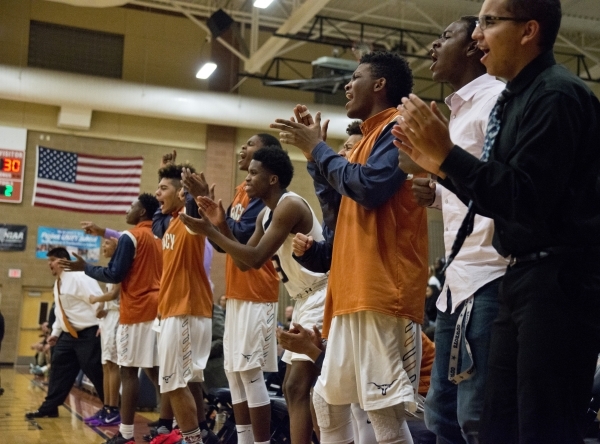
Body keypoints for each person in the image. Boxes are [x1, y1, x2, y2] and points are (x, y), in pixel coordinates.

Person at [394, 1, 600, 442]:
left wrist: (447, 159)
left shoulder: (556, 95)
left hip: (559, 281)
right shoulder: (515, 97)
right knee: (494, 426)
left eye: (489, 22)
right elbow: (499, 191)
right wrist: (443, 167)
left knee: (541, 427)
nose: (477, 35)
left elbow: (525, 198)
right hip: (520, 277)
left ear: (528, 31)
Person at [270, 51, 428, 444]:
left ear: (379, 85)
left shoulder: (397, 128)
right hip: (348, 293)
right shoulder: (364, 140)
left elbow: (369, 188)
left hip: (381, 291)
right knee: (327, 401)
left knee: (381, 412)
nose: (346, 84)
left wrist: (320, 151)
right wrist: (314, 155)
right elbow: (338, 210)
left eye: (355, 76)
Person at [397, 15, 509, 444]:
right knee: (440, 415)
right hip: (455, 280)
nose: (433, 46)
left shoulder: (498, 99)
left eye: (445, 37)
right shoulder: (456, 114)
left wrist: (440, 166)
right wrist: (435, 186)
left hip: (490, 271)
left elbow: (499, 183)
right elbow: (466, 182)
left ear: (471, 48)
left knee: (475, 417)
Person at [180, 146, 327, 444]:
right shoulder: (264, 216)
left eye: (253, 173)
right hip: (302, 299)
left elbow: (257, 257)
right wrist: (220, 224)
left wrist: (211, 231)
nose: (246, 179)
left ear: (273, 179)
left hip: (323, 293)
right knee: (294, 387)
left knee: (299, 387)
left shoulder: (290, 205)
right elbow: (242, 262)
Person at [181, 133, 281, 444]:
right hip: (238, 293)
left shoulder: (263, 199)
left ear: (265, 155)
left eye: (249, 145)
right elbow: (224, 245)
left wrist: (213, 220)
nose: (242, 149)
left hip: (258, 292)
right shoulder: (241, 192)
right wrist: (204, 210)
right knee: (235, 376)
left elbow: (240, 242)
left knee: (250, 376)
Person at [62, 193, 163, 443]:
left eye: (132, 206)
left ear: (141, 213)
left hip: (137, 309)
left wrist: (85, 268)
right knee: (157, 373)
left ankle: (125, 434)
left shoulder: (131, 236)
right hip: (159, 308)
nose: (127, 210)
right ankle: (166, 425)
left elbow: (115, 274)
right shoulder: (161, 236)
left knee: (128, 371)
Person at [154, 163, 214, 444]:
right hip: (174, 313)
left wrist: (193, 190)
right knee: (187, 382)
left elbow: (193, 208)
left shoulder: (190, 222)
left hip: (185, 311)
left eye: (163, 188)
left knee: (175, 383)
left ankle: (193, 441)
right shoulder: (171, 224)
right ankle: (198, 435)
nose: (157, 193)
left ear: (181, 194)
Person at [25, 247, 105, 419]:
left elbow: (98, 299)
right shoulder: (58, 283)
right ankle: (50, 408)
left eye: (52, 260)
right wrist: (55, 332)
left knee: (95, 371)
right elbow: (60, 312)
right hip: (68, 336)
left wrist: (103, 324)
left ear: (62, 261)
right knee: (58, 369)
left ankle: (110, 409)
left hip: (89, 333)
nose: (49, 264)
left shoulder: (80, 277)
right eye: (48, 261)